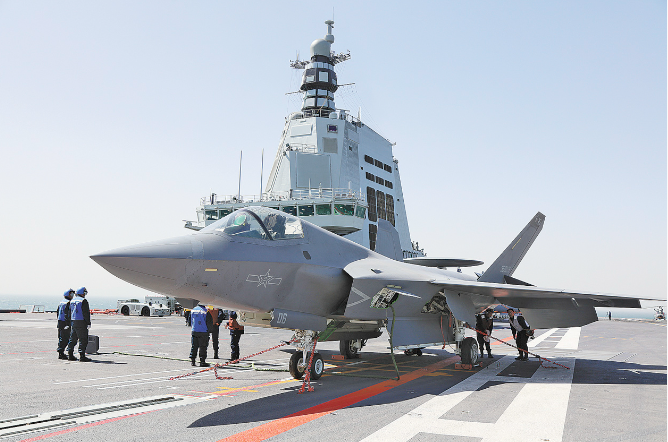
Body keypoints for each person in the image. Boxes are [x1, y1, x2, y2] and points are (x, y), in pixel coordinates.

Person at [67, 287, 92, 362]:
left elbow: (69, 312)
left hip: (73, 321)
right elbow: (86, 313)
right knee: (83, 339)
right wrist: (88, 323)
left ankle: (70, 354)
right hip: (81, 322)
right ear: (82, 293)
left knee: (73, 338)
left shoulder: (72, 301)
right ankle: (82, 356)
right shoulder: (83, 301)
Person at [57, 289, 74, 360]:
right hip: (65, 322)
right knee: (65, 338)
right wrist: (68, 324)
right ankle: (61, 352)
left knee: (61, 337)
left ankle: (60, 352)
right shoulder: (68, 303)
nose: (72, 295)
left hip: (60, 321)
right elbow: (67, 314)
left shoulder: (61, 302)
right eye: (71, 294)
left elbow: (58, 312)